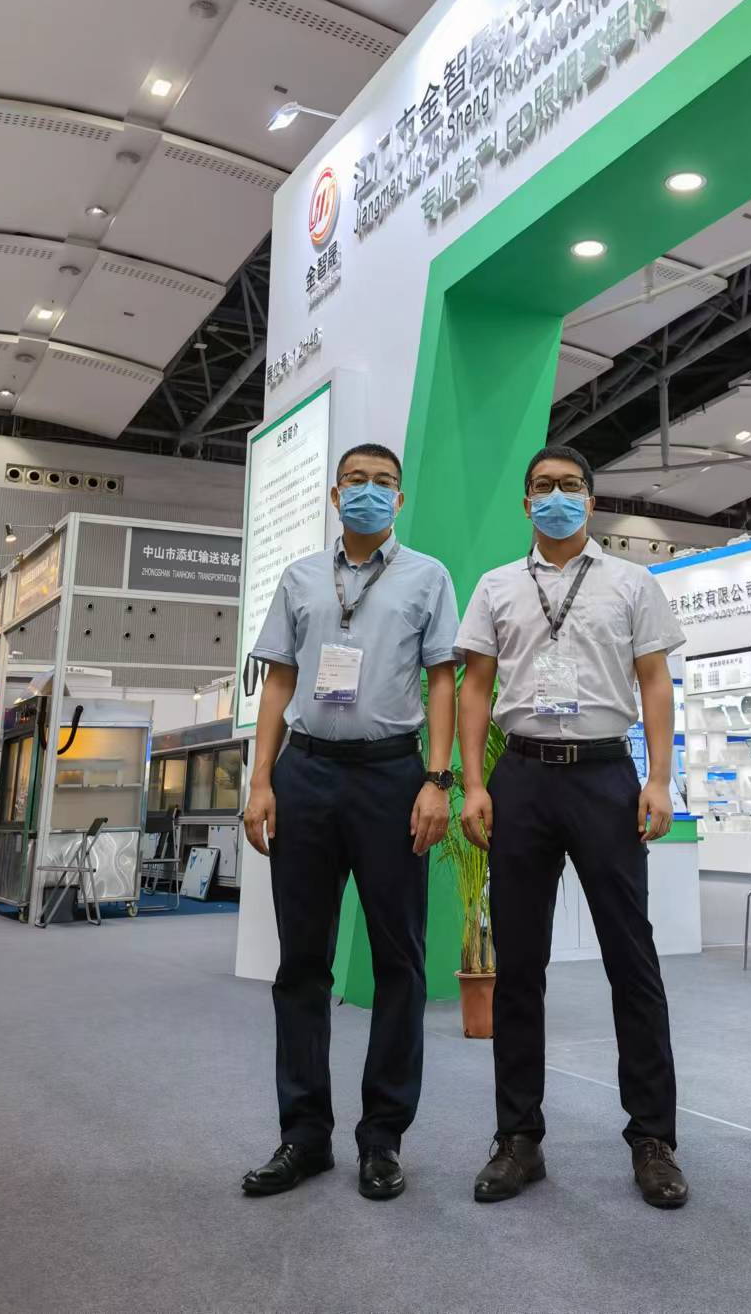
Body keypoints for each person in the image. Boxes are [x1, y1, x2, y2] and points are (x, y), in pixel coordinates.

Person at [456, 443, 689, 1210]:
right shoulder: (496, 586)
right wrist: (473, 783)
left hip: (604, 776)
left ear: (590, 499)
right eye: (542, 486)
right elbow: (475, 687)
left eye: (569, 486)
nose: (555, 496)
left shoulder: (632, 582)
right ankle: (517, 1139)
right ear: (526, 502)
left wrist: (659, 778)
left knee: (632, 959)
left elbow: (655, 682)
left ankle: (652, 1138)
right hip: (520, 778)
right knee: (520, 965)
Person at [241, 442, 460, 1203]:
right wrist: (261, 780)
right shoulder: (300, 576)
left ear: (400, 499)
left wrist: (437, 780)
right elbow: (279, 682)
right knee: (302, 962)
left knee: (400, 961)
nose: (370, 491)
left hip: (392, 776)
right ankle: (303, 1136)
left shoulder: (428, 576)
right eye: (357, 480)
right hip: (305, 772)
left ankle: (382, 1139)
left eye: (384, 482)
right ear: (335, 495)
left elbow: (442, 681)